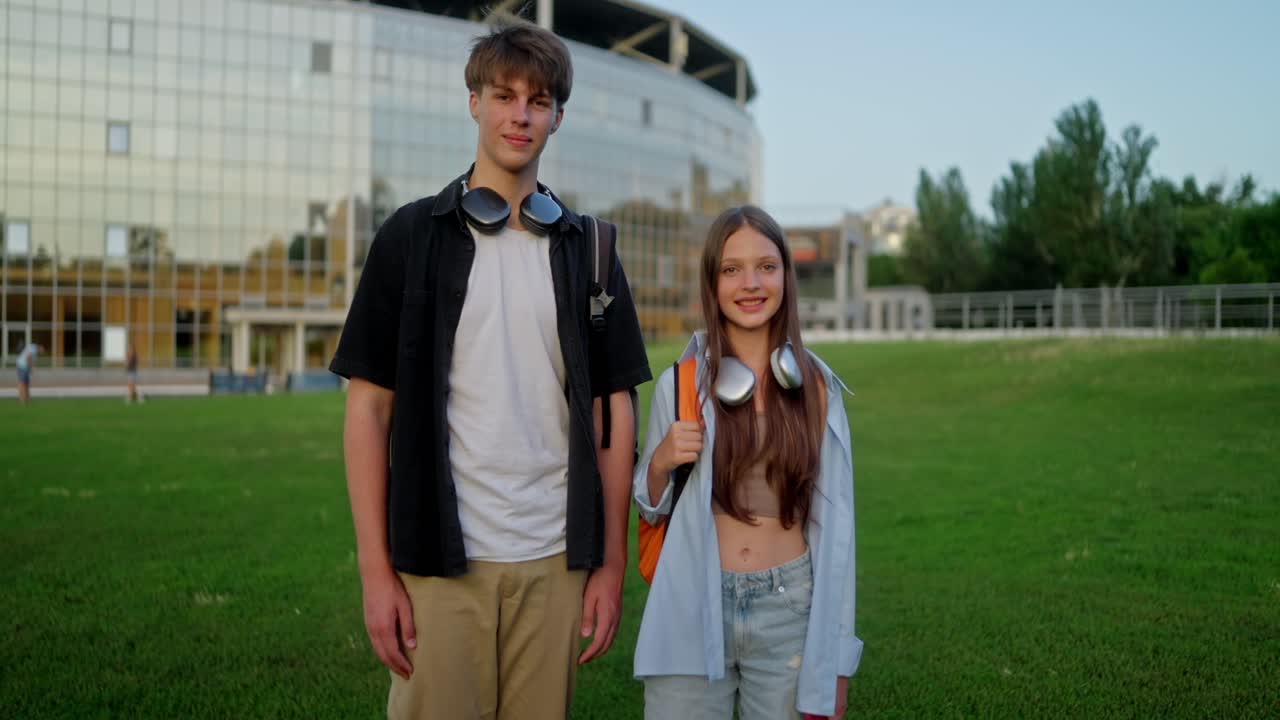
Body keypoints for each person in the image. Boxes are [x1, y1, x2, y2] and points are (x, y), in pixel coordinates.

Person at [329, 18, 650, 720]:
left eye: (537, 101)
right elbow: (367, 409)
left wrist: (611, 567)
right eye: (504, 95)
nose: (520, 115)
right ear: (473, 100)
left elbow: (616, 416)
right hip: (437, 563)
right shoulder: (410, 238)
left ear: (558, 116)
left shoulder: (590, 250)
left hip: (556, 560)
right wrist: (375, 572)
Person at [633, 206, 862, 719]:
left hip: (789, 611)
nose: (751, 283)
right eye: (732, 269)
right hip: (694, 598)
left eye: (766, 266)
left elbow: (838, 534)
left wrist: (837, 665)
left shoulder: (818, 390)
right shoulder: (681, 383)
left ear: (786, 276)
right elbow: (649, 510)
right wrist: (661, 462)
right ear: (712, 284)